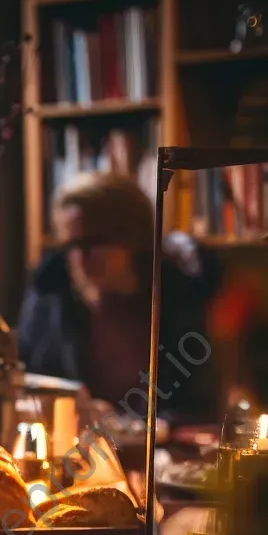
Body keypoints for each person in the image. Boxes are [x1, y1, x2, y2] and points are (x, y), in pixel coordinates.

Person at [17, 171, 221, 423]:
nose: (81, 258)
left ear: (133, 238)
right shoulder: (50, 296)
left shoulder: (179, 299)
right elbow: (23, 385)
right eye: (72, 245)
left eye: (94, 241)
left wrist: (142, 426)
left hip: (165, 453)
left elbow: (205, 404)